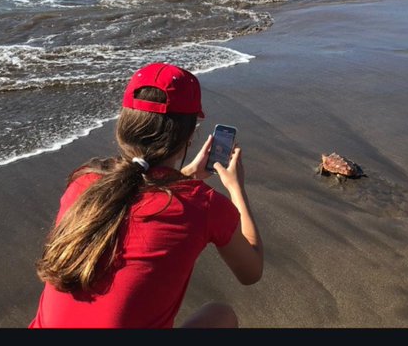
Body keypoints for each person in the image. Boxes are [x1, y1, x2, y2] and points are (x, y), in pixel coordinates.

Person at [31, 63, 263, 328]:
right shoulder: (202, 204)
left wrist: (184, 176)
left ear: (124, 124)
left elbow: (136, 190)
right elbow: (251, 271)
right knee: (221, 315)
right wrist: (236, 188)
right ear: (189, 136)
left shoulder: (85, 184)